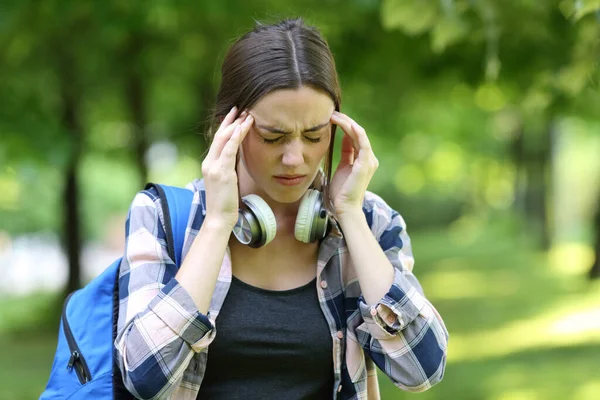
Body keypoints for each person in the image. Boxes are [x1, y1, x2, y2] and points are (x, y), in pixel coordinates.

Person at [115, 18, 448, 400]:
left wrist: (350, 215)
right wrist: (218, 224)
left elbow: (422, 370)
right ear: (230, 126)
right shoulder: (161, 217)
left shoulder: (371, 221)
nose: (295, 158)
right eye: (273, 136)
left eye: (314, 135)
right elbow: (142, 378)